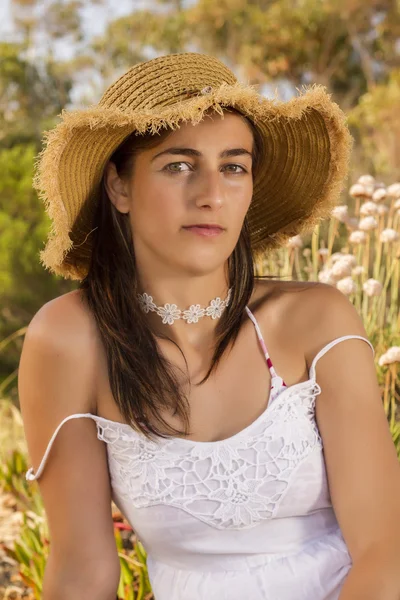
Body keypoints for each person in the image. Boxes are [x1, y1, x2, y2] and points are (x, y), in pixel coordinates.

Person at [19, 53, 400, 600]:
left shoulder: (315, 320)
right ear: (118, 188)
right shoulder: (70, 339)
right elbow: (83, 573)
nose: (211, 194)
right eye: (178, 164)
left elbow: (386, 552)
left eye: (233, 166)